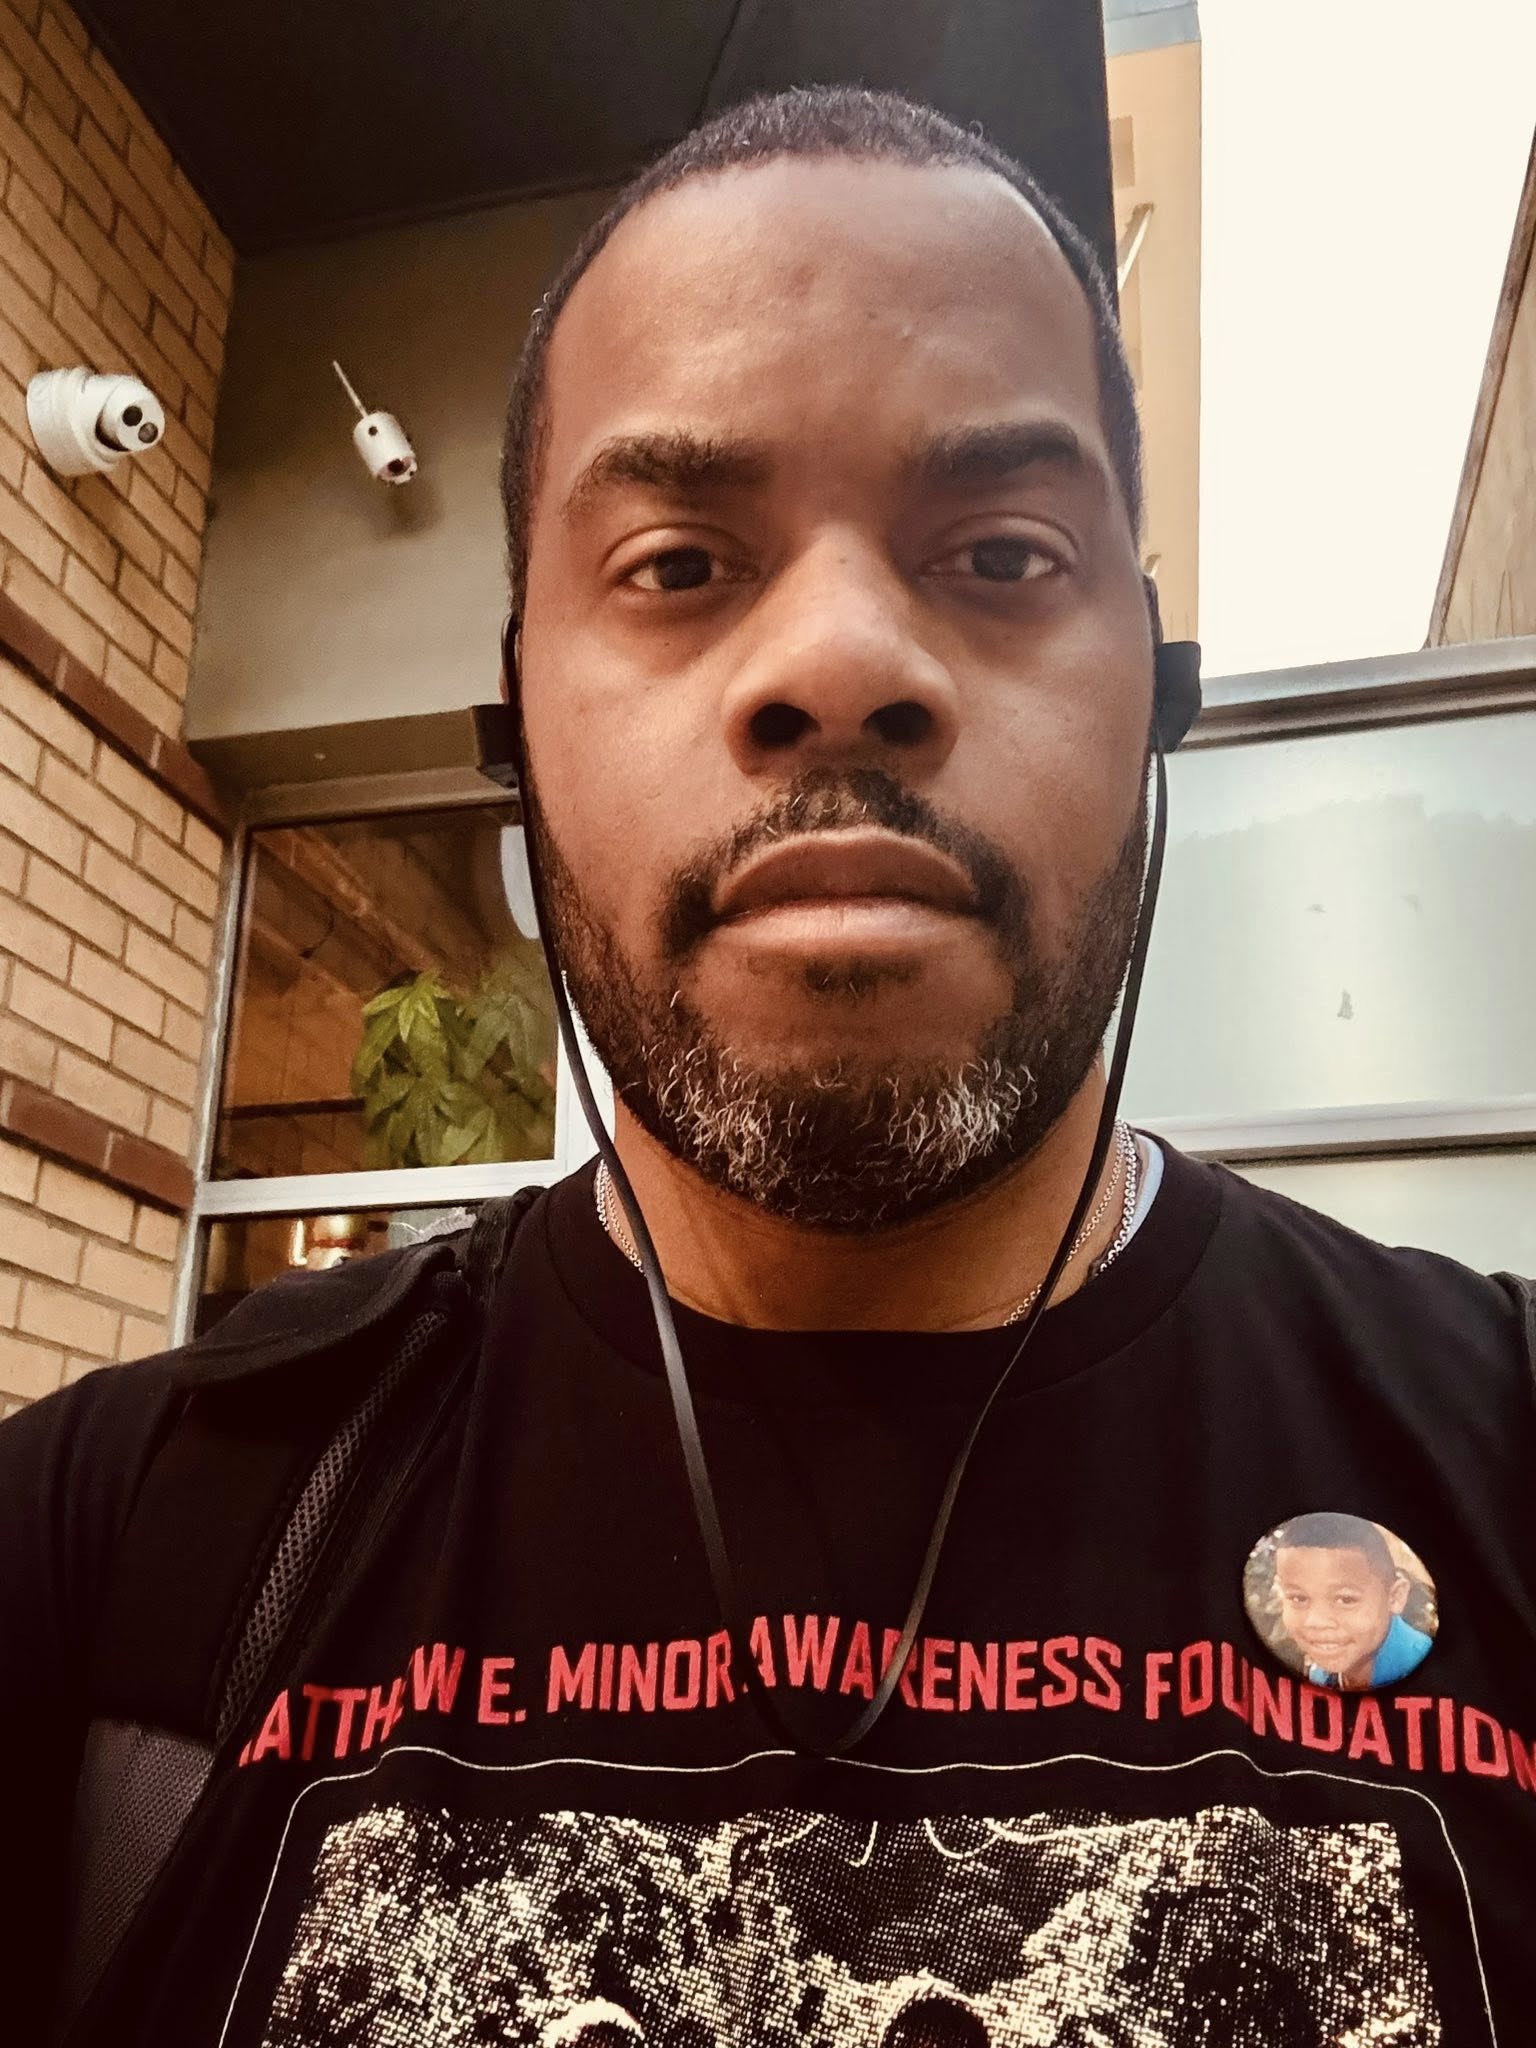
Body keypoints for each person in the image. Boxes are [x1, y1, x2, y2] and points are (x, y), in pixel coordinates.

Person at [2, 85, 1534, 2048]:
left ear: (1153, 685)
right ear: (515, 717)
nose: (839, 662)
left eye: (1001, 550)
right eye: (676, 562)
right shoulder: (128, 1534)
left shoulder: (1500, 1454)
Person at [1270, 1512, 1433, 1690]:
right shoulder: (1321, 1673)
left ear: (1395, 1597)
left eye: (1345, 1600)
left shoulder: (1430, 1674)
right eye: (1298, 1598)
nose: (1316, 1622)